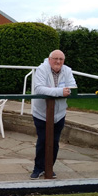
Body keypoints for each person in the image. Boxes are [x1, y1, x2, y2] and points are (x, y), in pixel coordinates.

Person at [30, 50, 77, 179]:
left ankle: (49, 167)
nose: (58, 61)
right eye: (55, 58)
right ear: (50, 59)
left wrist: (58, 91)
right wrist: (60, 92)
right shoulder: (41, 69)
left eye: (61, 59)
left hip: (59, 114)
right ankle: (38, 168)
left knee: (55, 142)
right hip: (41, 113)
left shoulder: (67, 70)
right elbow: (39, 88)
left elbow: (72, 87)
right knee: (43, 140)